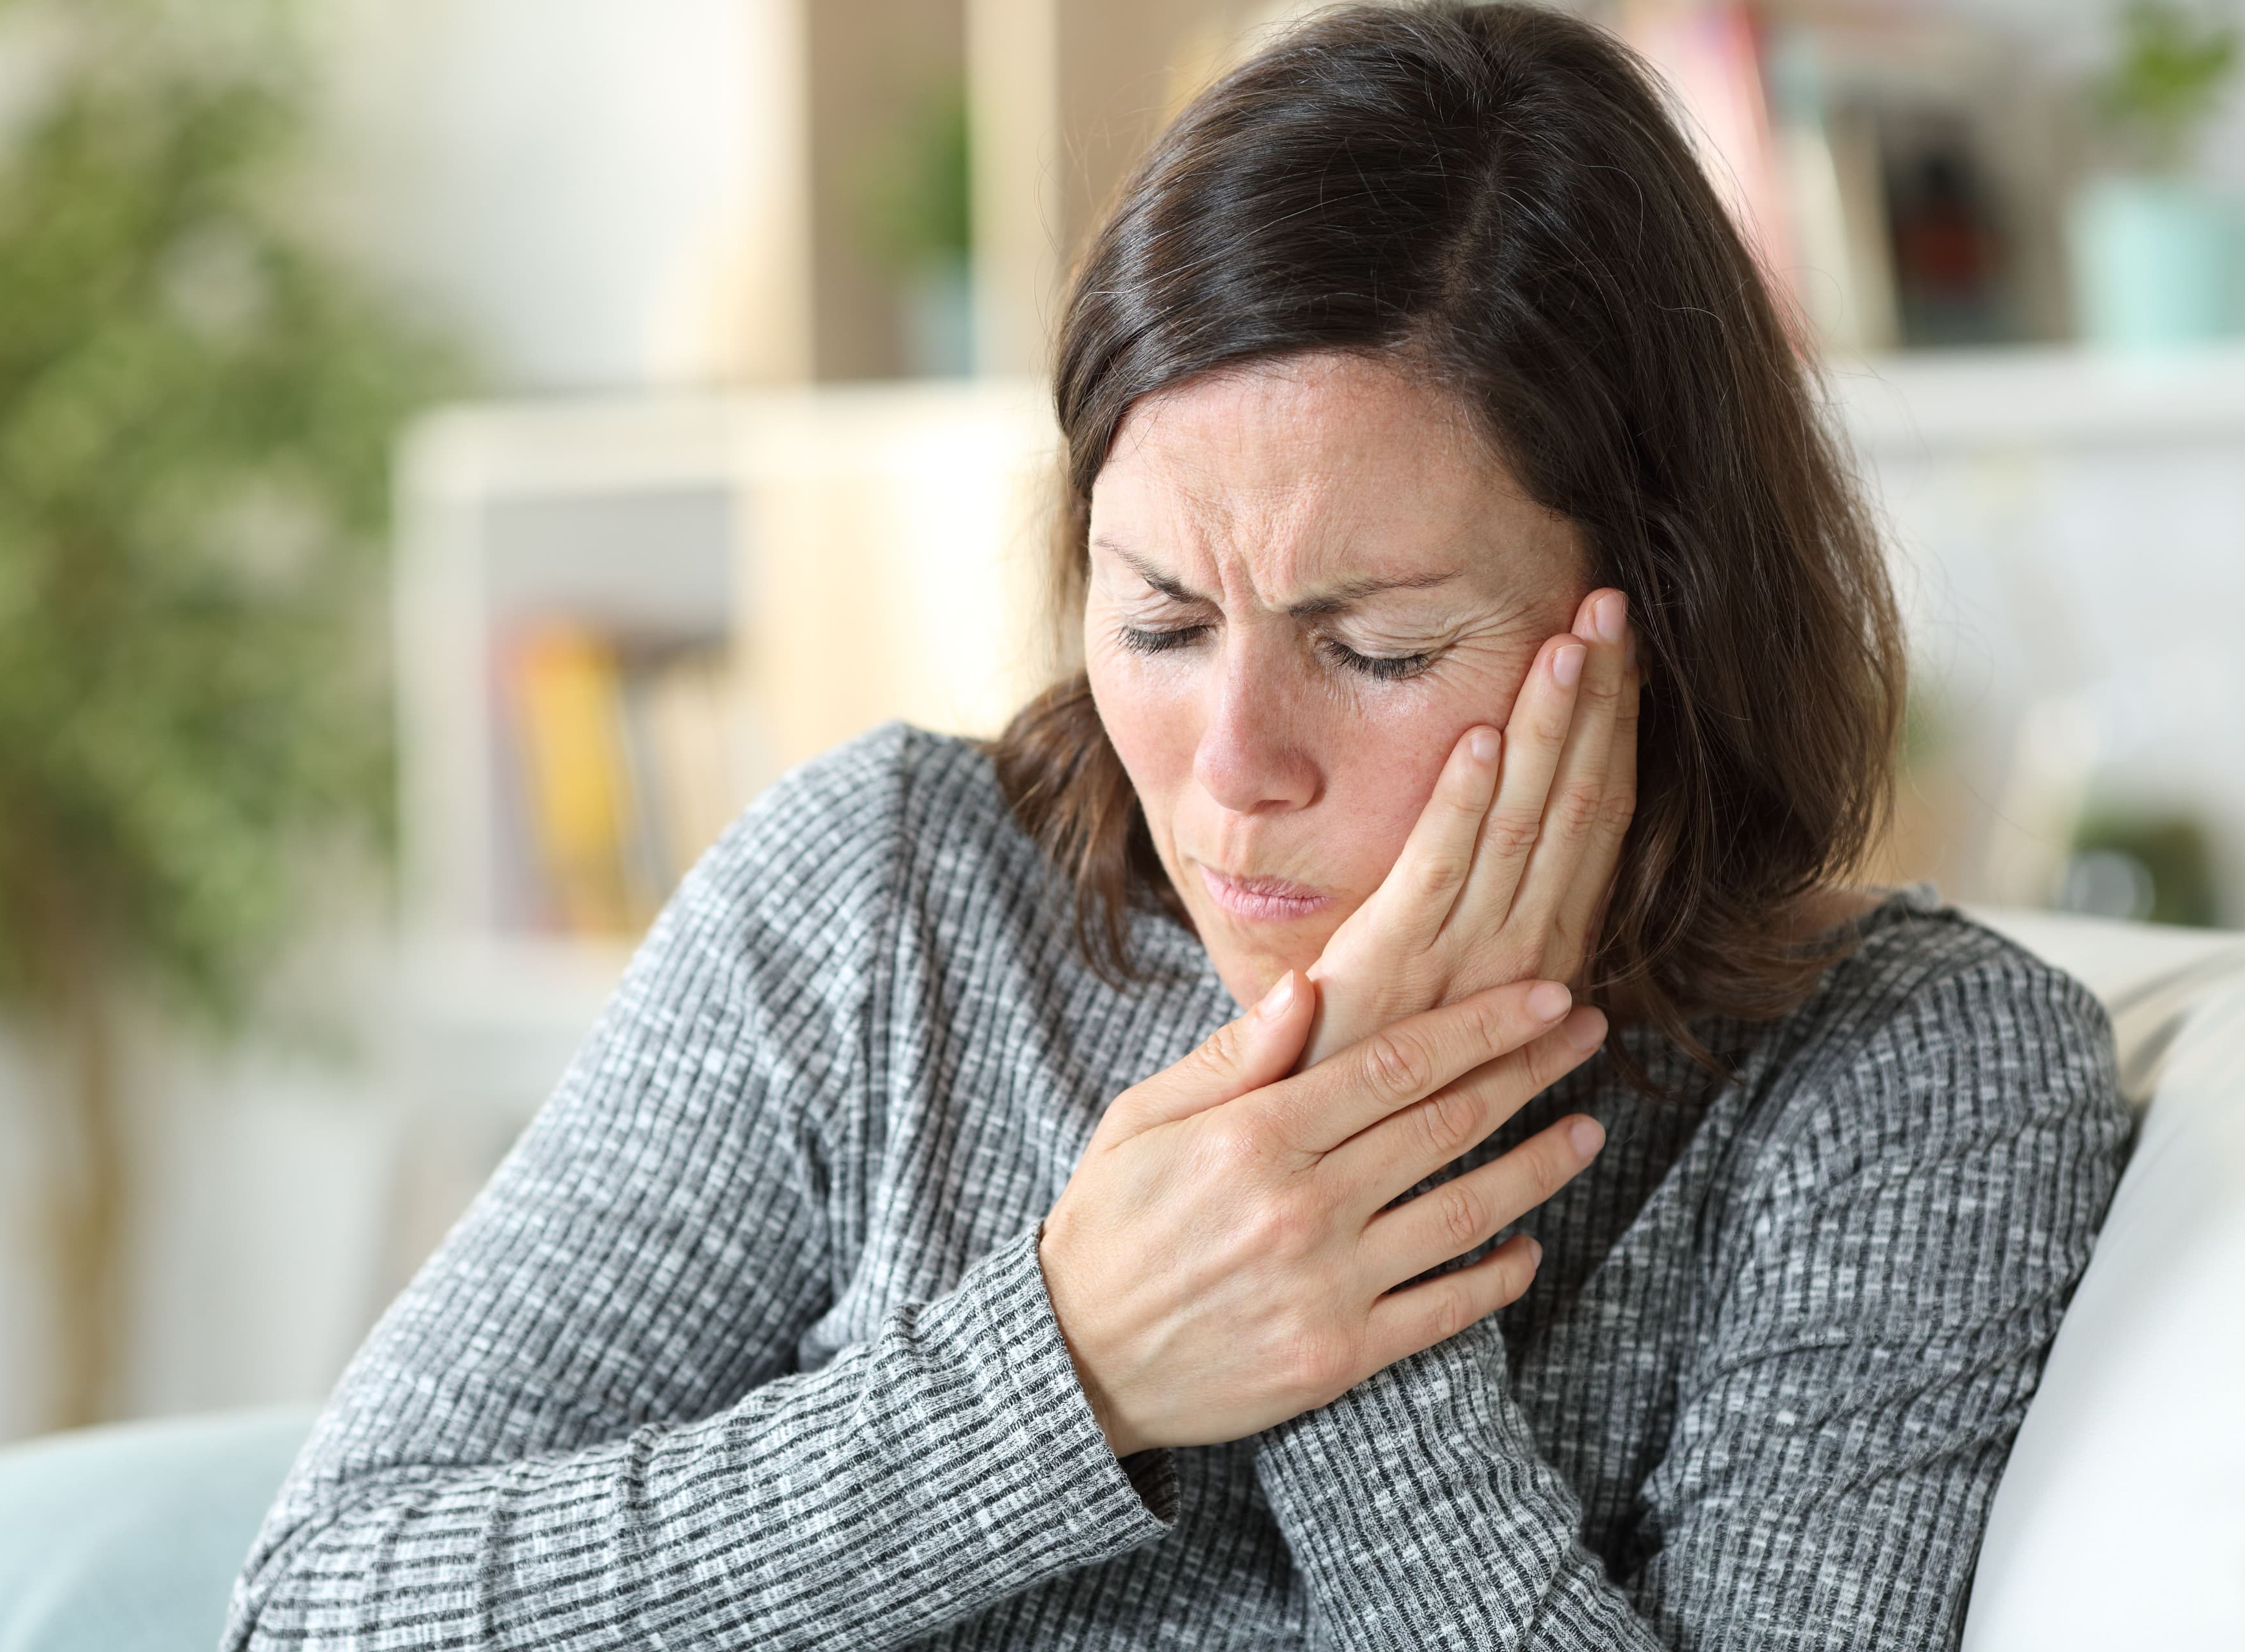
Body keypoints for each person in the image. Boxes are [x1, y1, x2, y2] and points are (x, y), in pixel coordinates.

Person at [223, 5, 2129, 1647]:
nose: (1230, 762)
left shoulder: (1901, 1088)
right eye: (1157, 621)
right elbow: (316, 1608)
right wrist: (1068, 1371)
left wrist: (1343, 1277)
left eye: (1370, 648)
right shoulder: (885, 901)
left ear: (1656, 625)